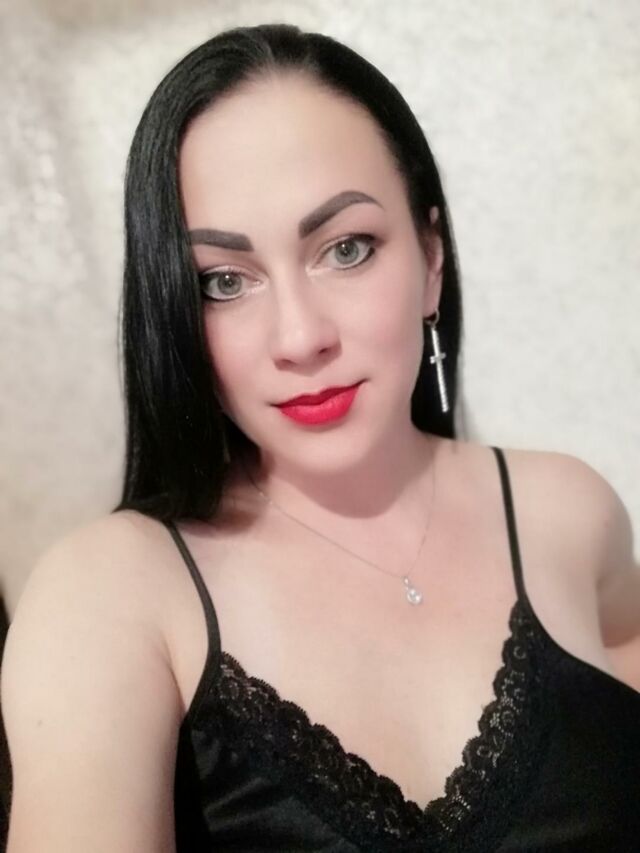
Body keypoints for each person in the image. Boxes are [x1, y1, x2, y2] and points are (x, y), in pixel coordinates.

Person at [1, 22, 639, 853]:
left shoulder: (568, 511)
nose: (300, 337)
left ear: (432, 258)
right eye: (223, 282)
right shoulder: (109, 595)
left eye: (347, 248)